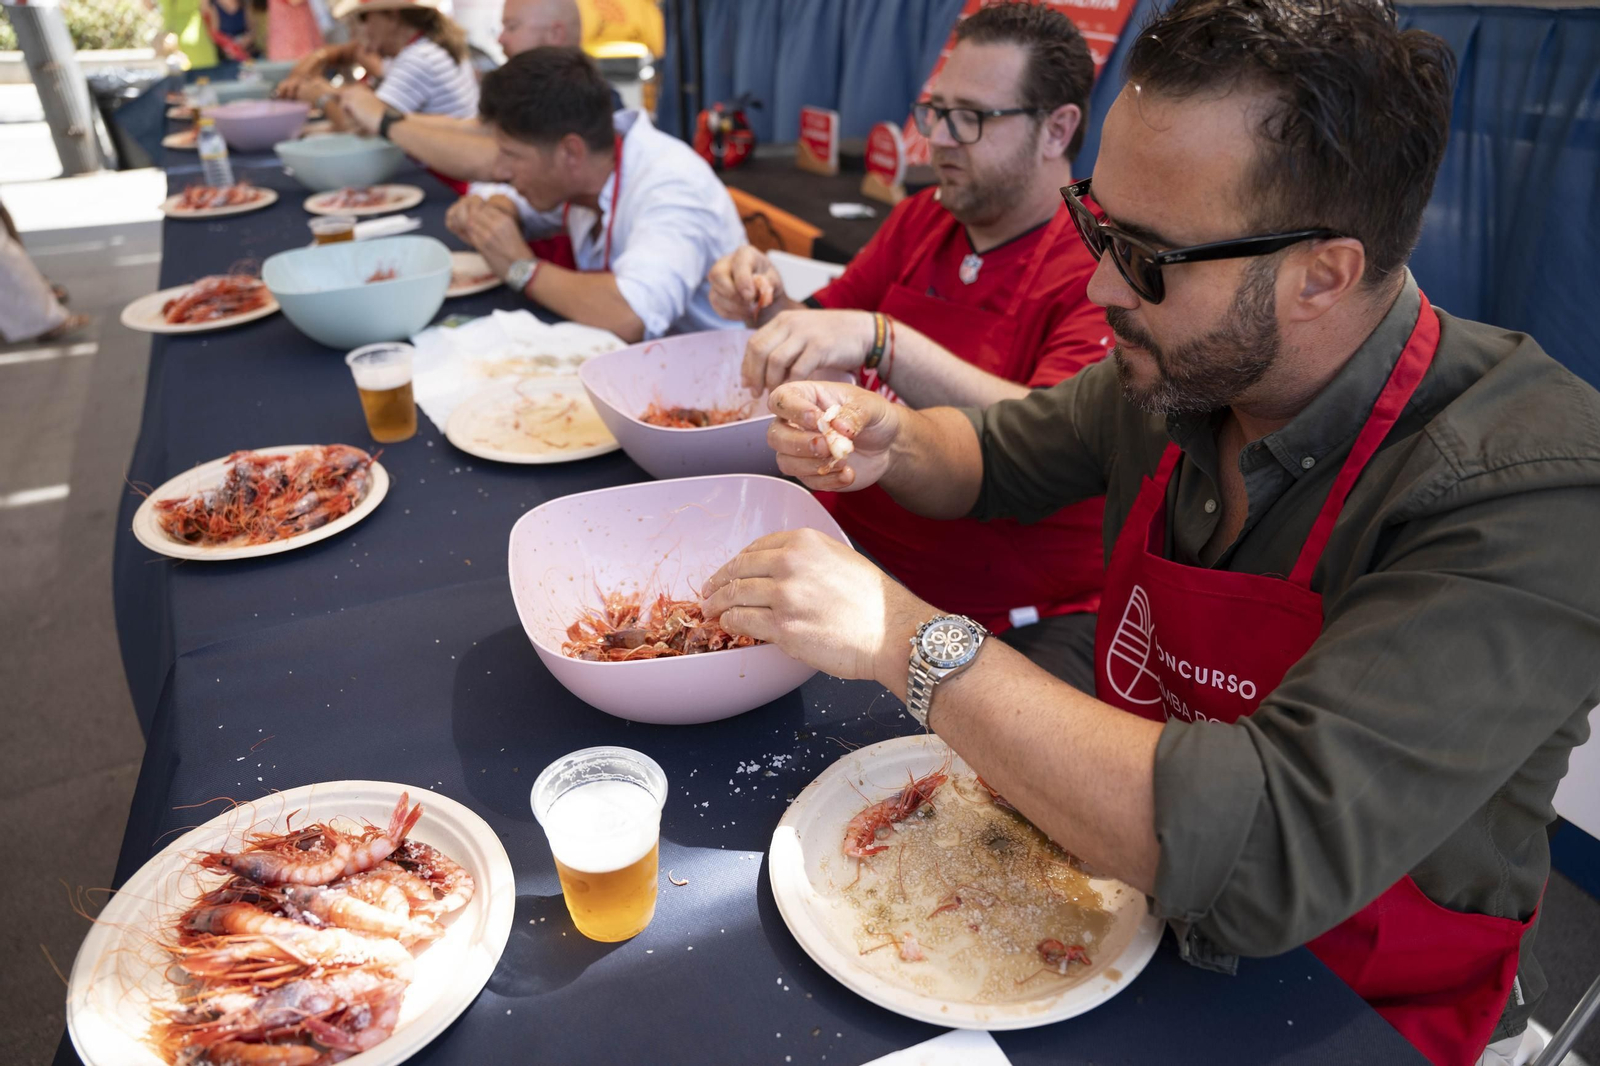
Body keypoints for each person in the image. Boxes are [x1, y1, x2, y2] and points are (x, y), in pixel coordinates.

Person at [700, 2, 1600, 1064]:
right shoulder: (1182, 369)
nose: (1098, 283)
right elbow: (991, 457)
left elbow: (1266, 848)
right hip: (1121, 899)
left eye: (1147, 257)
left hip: (1351, 998)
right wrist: (886, 440)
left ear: (1322, 274)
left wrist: (904, 633)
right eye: (1096, 226)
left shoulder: (1529, 491)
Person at [706, 3, 1109, 690]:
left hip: (1002, 617)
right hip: (851, 564)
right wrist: (766, 301)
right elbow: (825, 330)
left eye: (971, 118)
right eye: (934, 112)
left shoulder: (1100, 263)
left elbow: (1056, 434)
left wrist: (884, 339)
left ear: (1058, 129)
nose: (939, 141)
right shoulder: (924, 218)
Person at [445, 47, 743, 342]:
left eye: (511, 155)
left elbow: (629, 315)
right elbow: (519, 207)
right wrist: (493, 214)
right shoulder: (589, 169)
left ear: (570, 151)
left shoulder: (673, 186)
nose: (500, 172)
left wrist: (521, 268)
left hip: (713, 375)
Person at [334, 0, 590, 184]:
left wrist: (384, 120)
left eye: (511, 27)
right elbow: (480, 128)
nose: (500, 39)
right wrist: (385, 118)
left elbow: (499, 159)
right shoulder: (543, 91)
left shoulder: (579, 100)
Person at [277, 0, 476, 126]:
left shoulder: (418, 59)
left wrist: (320, 96)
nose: (363, 28)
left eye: (364, 17)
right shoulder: (425, 48)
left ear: (392, 16)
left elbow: (362, 125)